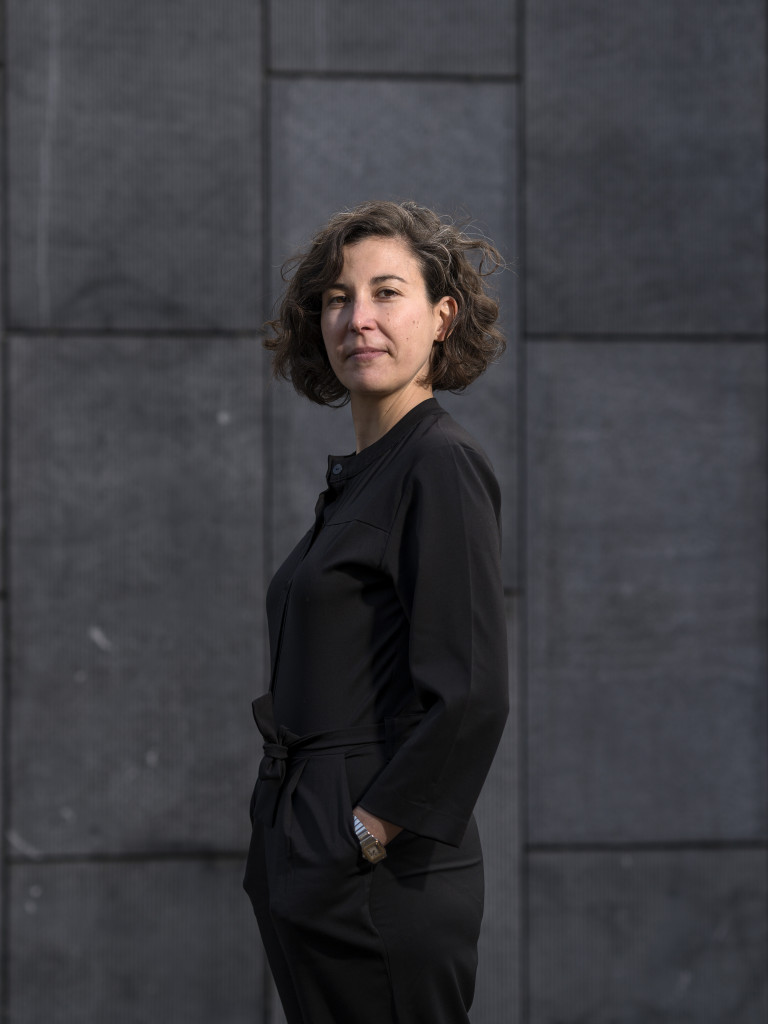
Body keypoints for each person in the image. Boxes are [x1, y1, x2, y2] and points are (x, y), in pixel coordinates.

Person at [243, 200, 509, 1024]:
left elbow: (468, 692)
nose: (357, 318)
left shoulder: (439, 463)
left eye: (386, 292)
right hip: (316, 860)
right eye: (335, 297)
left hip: (377, 880)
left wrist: (365, 832)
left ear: (441, 317)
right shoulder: (369, 475)